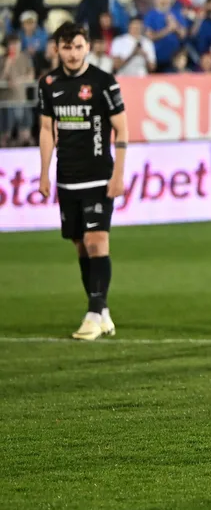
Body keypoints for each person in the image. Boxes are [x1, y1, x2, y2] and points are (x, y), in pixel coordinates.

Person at [36, 22, 128, 340]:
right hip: (67, 177)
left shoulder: (103, 82)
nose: (73, 54)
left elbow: (122, 129)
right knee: (80, 246)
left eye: (78, 46)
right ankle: (103, 312)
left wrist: (118, 174)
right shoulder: (48, 84)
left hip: (99, 176)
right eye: (67, 47)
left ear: (87, 47)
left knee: (96, 241)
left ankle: (92, 313)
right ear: (57, 49)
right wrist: (44, 172)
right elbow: (46, 129)